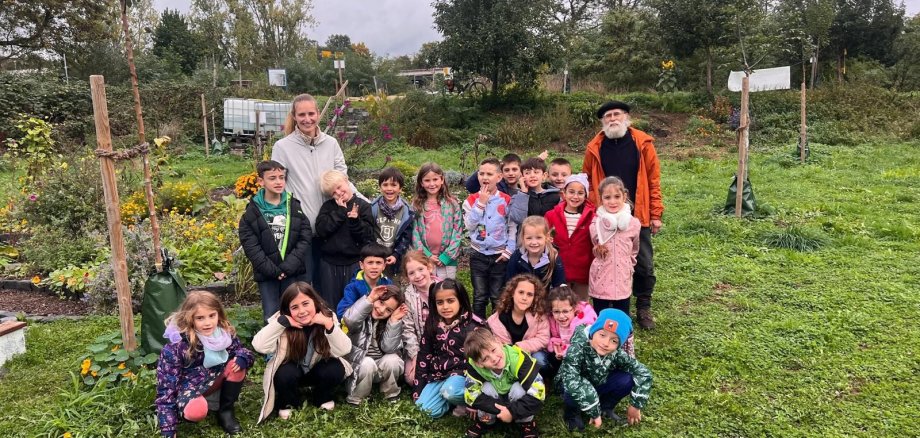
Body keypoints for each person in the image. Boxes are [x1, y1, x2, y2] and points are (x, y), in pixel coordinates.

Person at [582, 100, 663, 329]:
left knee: (643, 263)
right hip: (605, 215)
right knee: (606, 259)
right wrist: (593, 210)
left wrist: (655, 213)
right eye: (607, 116)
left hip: (638, 213)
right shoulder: (594, 148)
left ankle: (643, 306)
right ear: (603, 121)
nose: (612, 119)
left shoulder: (643, 144)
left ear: (626, 117)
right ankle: (605, 301)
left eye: (616, 114)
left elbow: (653, 180)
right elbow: (587, 180)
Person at [155, 291, 254, 436]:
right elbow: (166, 390)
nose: (208, 323)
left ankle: (225, 411)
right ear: (189, 318)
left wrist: (243, 357)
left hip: (214, 382)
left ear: (219, 314)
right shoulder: (177, 347)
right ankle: (190, 407)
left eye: (212, 315)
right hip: (189, 389)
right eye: (200, 318)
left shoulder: (224, 334)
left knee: (236, 365)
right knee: (196, 411)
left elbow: (242, 350)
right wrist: (168, 429)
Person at [253, 283, 352, 422]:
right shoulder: (281, 321)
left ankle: (322, 397)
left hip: (318, 369)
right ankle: (289, 402)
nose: (302, 311)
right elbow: (259, 346)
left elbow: (344, 349)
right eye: (295, 307)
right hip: (293, 370)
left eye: (306, 304)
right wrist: (281, 322)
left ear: (315, 302)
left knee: (335, 369)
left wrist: (328, 325)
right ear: (288, 309)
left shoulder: (327, 316)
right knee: (284, 374)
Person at [238, 160, 313, 321]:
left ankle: (296, 339)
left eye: (281, 177)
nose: (278, 182)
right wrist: (273, 271)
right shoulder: (251, 212)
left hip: (292, 271)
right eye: (272, 178)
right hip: (268, 274)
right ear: (261, 181)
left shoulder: (294, 206)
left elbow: (304, 236)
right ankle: (274, 339)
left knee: (296, 313)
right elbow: (251, 246)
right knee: (272, 316)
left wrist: (288, 266)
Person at [558, 309, 652, 431]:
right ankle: (572, 414)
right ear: (593, 332)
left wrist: (636, 405)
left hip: (597, 381)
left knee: (627, 378)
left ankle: (605, 408)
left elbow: (643, 372)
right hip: (571, 385)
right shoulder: (577, 348)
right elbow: (572, 378)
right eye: (602, 335)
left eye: (614, 340)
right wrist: (594, 410)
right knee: (571, 387)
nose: (606, 343)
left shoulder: (616, 353)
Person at [413, 279, 483, 418]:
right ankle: (450, 401)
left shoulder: (473, 326)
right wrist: (418, 391)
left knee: (450, 391)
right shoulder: (433, 324)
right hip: (439, 375)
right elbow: (424, 356)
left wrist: (474, 392)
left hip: (465, 375)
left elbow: (481, 362)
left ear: (460, 301)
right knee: (424, 409)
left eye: (450, 301)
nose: (445, 306)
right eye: (440, 302)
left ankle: (468, 400)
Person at [463, 327, 544, 438]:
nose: (494, 358)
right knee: (486, 387)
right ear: (479, 364)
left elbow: (538, 393)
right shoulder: (474, 366)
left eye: (493, 350)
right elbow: (470, 395)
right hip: (495, 398)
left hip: (515, 396)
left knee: (518, 389)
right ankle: (485, 422)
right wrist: (501, 410)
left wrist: (512, 412)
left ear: (499, 342)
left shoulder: (519, 359)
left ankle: (526, 423)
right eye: (485, 358)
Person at [313, 169, 375, 310]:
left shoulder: (363, 206)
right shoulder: (328, 207)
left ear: (347, 181)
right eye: (333, 193)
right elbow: (321, 230)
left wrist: (355, 222)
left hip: (354, 262)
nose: (339, 193)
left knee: (354, 304)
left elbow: (368, 236)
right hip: (329, 263)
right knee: (330, 305)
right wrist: (340, 213)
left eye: (339, 187)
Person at [464, 158, 517, 319]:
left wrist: (509, 250)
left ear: (499, 177)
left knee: (497, 296)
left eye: (489, 174)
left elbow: (512, 227)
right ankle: (478, 326)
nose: (485, 177)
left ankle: (496, 327)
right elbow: (469, 225)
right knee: (479, 296)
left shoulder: (507, 200)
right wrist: (480, 204)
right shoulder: (471, 200)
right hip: (478, 255)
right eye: (481, 174)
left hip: (499, 256)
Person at [341, 284, 408, 405]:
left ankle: (390, 393)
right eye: (381, 302)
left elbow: (389, 348)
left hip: (379, 366)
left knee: (393, 360)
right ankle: (357, 398)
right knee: (367, 363)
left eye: (388, 310)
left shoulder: (391, 322)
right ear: (375, 298)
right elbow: (350, 320)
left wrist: (393, 321)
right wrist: (369, 299)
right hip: (357, 366)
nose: (381, 310)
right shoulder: (361, 316)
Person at [590, 177, 640, 315]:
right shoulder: (596, 224)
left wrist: (629, 266)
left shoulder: (633, 224)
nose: (612, 201)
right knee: (601, 314)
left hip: (622, 277)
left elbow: (634, 249)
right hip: (601, 277)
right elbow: (594, 244)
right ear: (601, 199)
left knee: (621, 314)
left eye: (617, 196)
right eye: (607, 197)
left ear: (624, 196)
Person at [544, 173, 595, 301]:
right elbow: (545, 240)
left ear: (586, 195)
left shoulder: (593, 217)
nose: (575, 196)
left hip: (583, 272)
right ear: (564, 193)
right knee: (560, 303)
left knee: (581, 305)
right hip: (559, 270)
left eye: (580, 193)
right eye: (571, 192)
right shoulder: (551, 215)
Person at [485, 274, 550, 372]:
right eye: (521, 292)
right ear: (512, 293)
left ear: (534, 298)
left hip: (532, 352)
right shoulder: (496, 320)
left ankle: (544, 378)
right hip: (508, 356)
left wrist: (520, 346)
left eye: (529, 294)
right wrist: (512, 352)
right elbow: (498, 344)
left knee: (539, 359)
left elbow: (543, 338)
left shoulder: (539, 316)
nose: (524, 298)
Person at [411, 162, 463, 280]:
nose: (432, 184)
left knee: (446, 288)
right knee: (427, 287)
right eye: (427, 180)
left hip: (447, 260)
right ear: (421, 183)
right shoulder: (417, 205)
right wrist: (426, 255)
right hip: (425, 260)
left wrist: (446, 256)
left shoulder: (452, 204)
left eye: (435, 179)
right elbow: (415, 232)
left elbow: (457, 232)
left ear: (442, 179)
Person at [400, 250, 440, 384]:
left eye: (421, 269)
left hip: (444, 343)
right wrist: (416, 355)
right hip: (420, 346)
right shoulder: (407, 297)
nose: (417, 276)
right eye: (411, 273)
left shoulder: (444, 289)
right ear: (407, 277)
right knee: (412, 379)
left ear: (429, 267)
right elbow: (407, 329)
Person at [543, 285, 597, 383]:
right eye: (556, 312)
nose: (561, 316)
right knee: (551, 357)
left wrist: (565, 352)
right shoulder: (552, 321)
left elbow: (583, 345)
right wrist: (557, 347)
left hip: (581, 355)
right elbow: (555, 338)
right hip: (563, 351)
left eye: (565, 311)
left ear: (574, 308)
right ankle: (558, 379)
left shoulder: (583, 322)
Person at [370, 167, 415, 274]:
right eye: (385, 185)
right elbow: (368, 232)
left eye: (394, 185)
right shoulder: (372, 208)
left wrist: (396, 254)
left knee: (393, 282)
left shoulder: (407, 212)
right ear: (380, 187)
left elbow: (406, 237)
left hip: (395, 257)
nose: (389, 188)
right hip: (375, 256)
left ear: (400, 188)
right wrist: (373, 253)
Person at [505, 216, 567, 289]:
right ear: (523, 238)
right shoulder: (516, 257)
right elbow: (510, 284)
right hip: (522, 295)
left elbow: (559, 288)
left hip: (545, 296)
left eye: (538, 237)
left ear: (547, 237)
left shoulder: (554, 259)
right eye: (529, 238)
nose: (534, 242)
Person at [335, 243, 394, 318]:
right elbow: (342, 314)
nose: (374, 267)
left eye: (378, 263)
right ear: (361, 265)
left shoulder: (388, 284)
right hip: (359, 324)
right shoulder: (352, 287)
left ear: (384, 266)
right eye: (370, 263)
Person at [508, 158, 561, 226]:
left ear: (544, 176)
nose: (532, 176)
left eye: (536, 172)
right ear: (522, 177)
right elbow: (518, 219)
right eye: (527, 173)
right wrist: (523, 193)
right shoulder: (518, 197)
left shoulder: (555, 196)